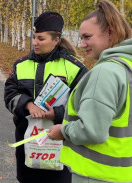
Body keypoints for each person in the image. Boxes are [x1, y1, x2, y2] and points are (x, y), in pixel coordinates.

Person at [48, 1, 132, 183]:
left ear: (110, 32)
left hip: (96, 174)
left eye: (87, 37)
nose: (82, 44)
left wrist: (63, 130)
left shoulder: (105, 72)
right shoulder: (128, 67)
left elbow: (92, 131)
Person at [4, 11, 88, 183]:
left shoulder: (74, 68)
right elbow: (9, 94)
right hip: (27, 141)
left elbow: (83, 105)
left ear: (56, 40)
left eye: (41, 38)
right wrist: (28, 105)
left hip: (59, 141)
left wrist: (55, 114)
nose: (34, 42)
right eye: (33, 37)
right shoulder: (21, 65)